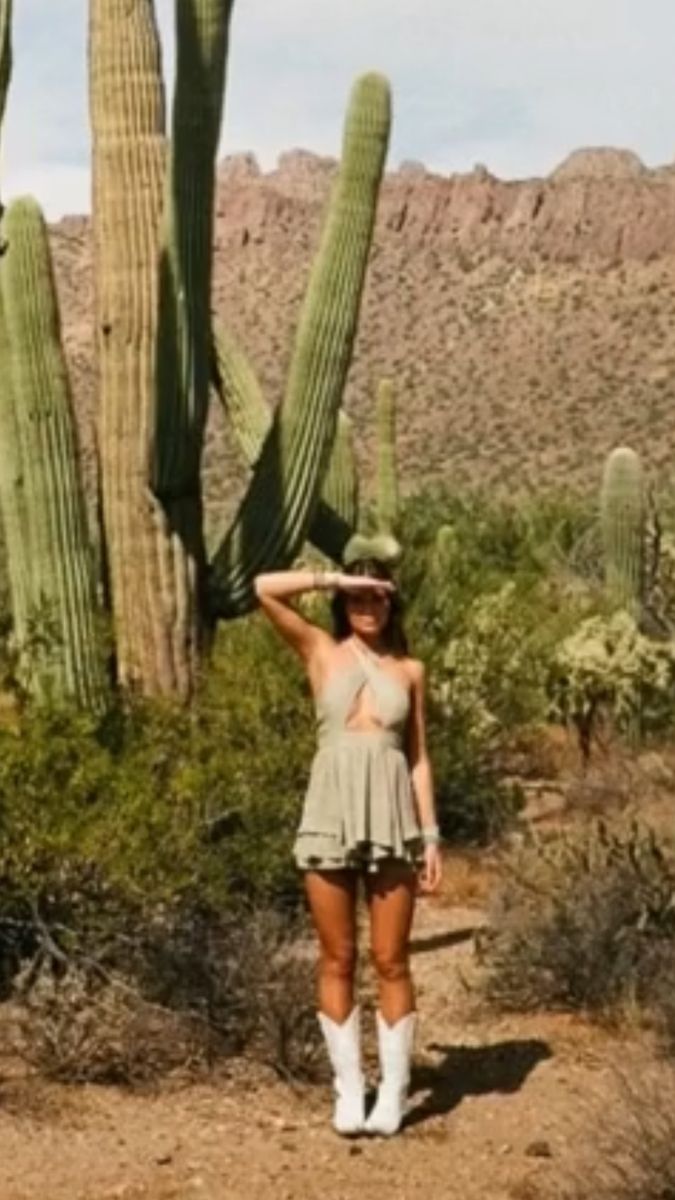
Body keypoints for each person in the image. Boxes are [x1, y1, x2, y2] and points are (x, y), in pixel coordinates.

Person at [254, 548, 443, 1138]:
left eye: (377, 596)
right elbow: (264, 588)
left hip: (392, 817)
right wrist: (336, 576)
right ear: (344, 601)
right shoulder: (319, 650)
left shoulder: (409, 671)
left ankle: (392, 1093)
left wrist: (431, 834)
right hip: (330, 810)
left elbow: (417, 758)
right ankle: (348, 1091)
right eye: (357, 597)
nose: (367, 606)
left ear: (391, 605)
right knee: (337, 956)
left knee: (391, 958)